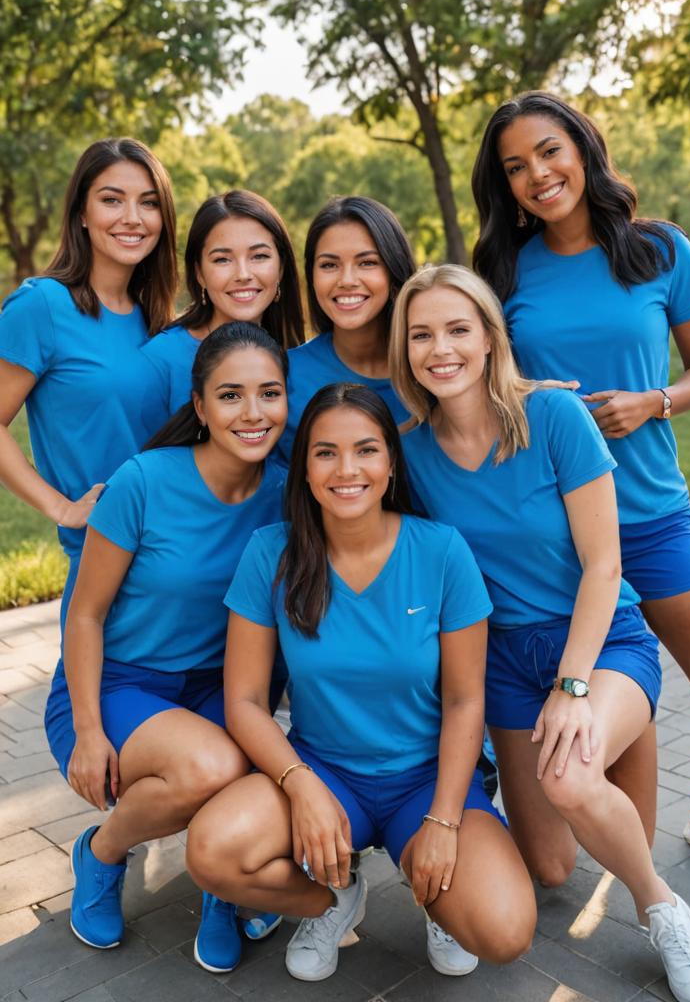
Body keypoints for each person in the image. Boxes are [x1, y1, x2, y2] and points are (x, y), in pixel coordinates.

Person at [391, 264, 690, 1002]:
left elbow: (606, 565)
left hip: (600, 639)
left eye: (457, 329)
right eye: (420, 334)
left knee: (568, 777)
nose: (439, 348)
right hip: (506, 660)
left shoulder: (553, 418)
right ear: (403, 348)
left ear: (489, 338)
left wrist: (574, 687)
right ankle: (598, 756)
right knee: (548, 865)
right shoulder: (408, 448)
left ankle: (662, 908)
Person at [471, 91, 690, 879]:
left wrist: (655, 400)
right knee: (561, 850)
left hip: (650, 515)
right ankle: (497, 774)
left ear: (582, 149)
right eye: (515, 167)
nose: (537, 174)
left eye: (548, 152)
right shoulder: (501, 270)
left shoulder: (661, 250)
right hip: (549, 532)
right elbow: (475, 384)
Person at [186, 383, 536, 983]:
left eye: (366, 450)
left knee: (504, 931)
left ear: (391, 462)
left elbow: (464, 699)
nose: (346, 469)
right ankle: (335, 895)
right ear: (303, 466)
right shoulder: (271, 553)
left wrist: (444, 822)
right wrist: (301, 786)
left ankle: (435, 893)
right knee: (212, 851)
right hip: (325, 769)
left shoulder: (441, 550)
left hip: (426, 778)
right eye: (325, 452)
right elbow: (243, 701)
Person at [50, 323, 288, 970]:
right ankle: (101, 852)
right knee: (211, 769)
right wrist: (90, 729)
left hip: (224, 684)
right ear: (201, 404)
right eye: (231, 395)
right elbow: (85, 615)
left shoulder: (286, 495)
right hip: (120, 682)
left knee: (255, 765)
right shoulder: (143, 481)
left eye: (269, 393)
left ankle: (222, 886)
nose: (253, 412)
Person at [0, 137, 177, 768]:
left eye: (148, 203)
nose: (132, 217)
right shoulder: (41, 306)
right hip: (104, 558)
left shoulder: (161, 320)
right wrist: (60, 506)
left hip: (177, 558)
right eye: (112, 199)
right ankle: (105, 841)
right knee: (95, 736)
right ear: (80, 211)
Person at [142, 189, 304, 424]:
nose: (243, 274)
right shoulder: (160, 362)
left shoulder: (297, 360)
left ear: (280, 268)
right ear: (199, 273)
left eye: (259, 256)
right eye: (222, 259)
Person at [278, 196, 414, 464]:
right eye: (329, 265)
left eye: (367, 263)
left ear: (393, 269)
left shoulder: (433, 368)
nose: (347, 280)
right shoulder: (284, 378)